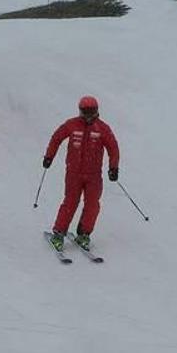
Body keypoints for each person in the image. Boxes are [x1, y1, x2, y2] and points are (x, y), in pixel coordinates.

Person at [43, 95, 120, 250]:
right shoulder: (72, 125)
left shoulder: (102, 128)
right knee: (70, 202)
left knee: (92, 205)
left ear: (97, 111)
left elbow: (113, 148)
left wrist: (113, 168)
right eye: (86, 111)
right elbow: (56, 138)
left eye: (92, 111)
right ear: (80, 111)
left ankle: (84, 234)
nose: (89, 115)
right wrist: (49, 156)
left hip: (93, 176)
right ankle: (58, 234)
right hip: (74, 173)